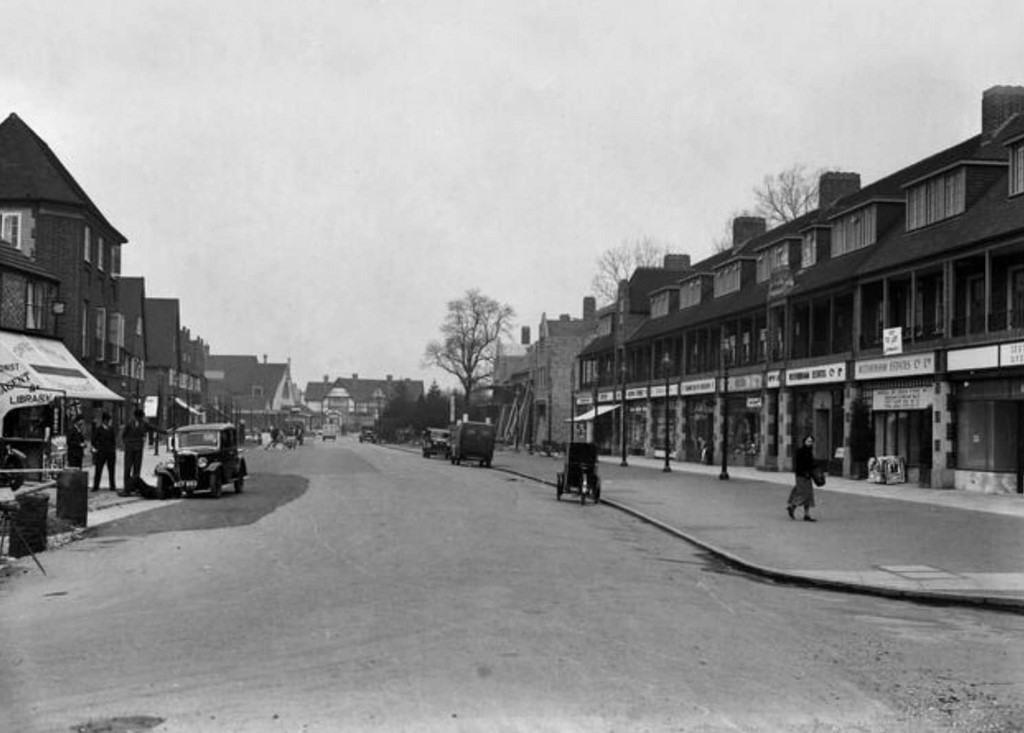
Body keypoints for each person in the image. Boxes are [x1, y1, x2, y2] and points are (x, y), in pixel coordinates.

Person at [787, 434, 818, 522]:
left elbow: (811, 464)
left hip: (808, 476)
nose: (810, 443)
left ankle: (806, 514)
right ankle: (792, 506)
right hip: (801, 476)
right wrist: (804, 473)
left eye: (811, 441)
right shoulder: (800, 451)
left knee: (808, 495)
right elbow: (799, 464)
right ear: (804, 441)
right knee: (803, 494)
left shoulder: (810, 452)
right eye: (808, 441)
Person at [121, 408, 149, 494]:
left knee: (137, 469)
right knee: (127, 468)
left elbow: (153, 428)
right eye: (140, 417)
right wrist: (126, 444)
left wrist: (165, 432)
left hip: (138, 449)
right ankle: (127, 487)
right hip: (130, 449)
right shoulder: (129, 424)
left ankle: (135, 487)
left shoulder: (144, 424)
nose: (141, 419)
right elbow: (123, 435)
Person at [91, 412, 117, 492]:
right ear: (104, 420)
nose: (109, 422)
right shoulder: (98, 430)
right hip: (101, 452)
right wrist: (98, 448)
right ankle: (96, 486)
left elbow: (113, 440)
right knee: (98, 469)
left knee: (111, 470)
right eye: (108, 420)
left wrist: (113, 448)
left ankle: (112, 486)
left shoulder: (111, 429)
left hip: (110, 452)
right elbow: (93, 440)